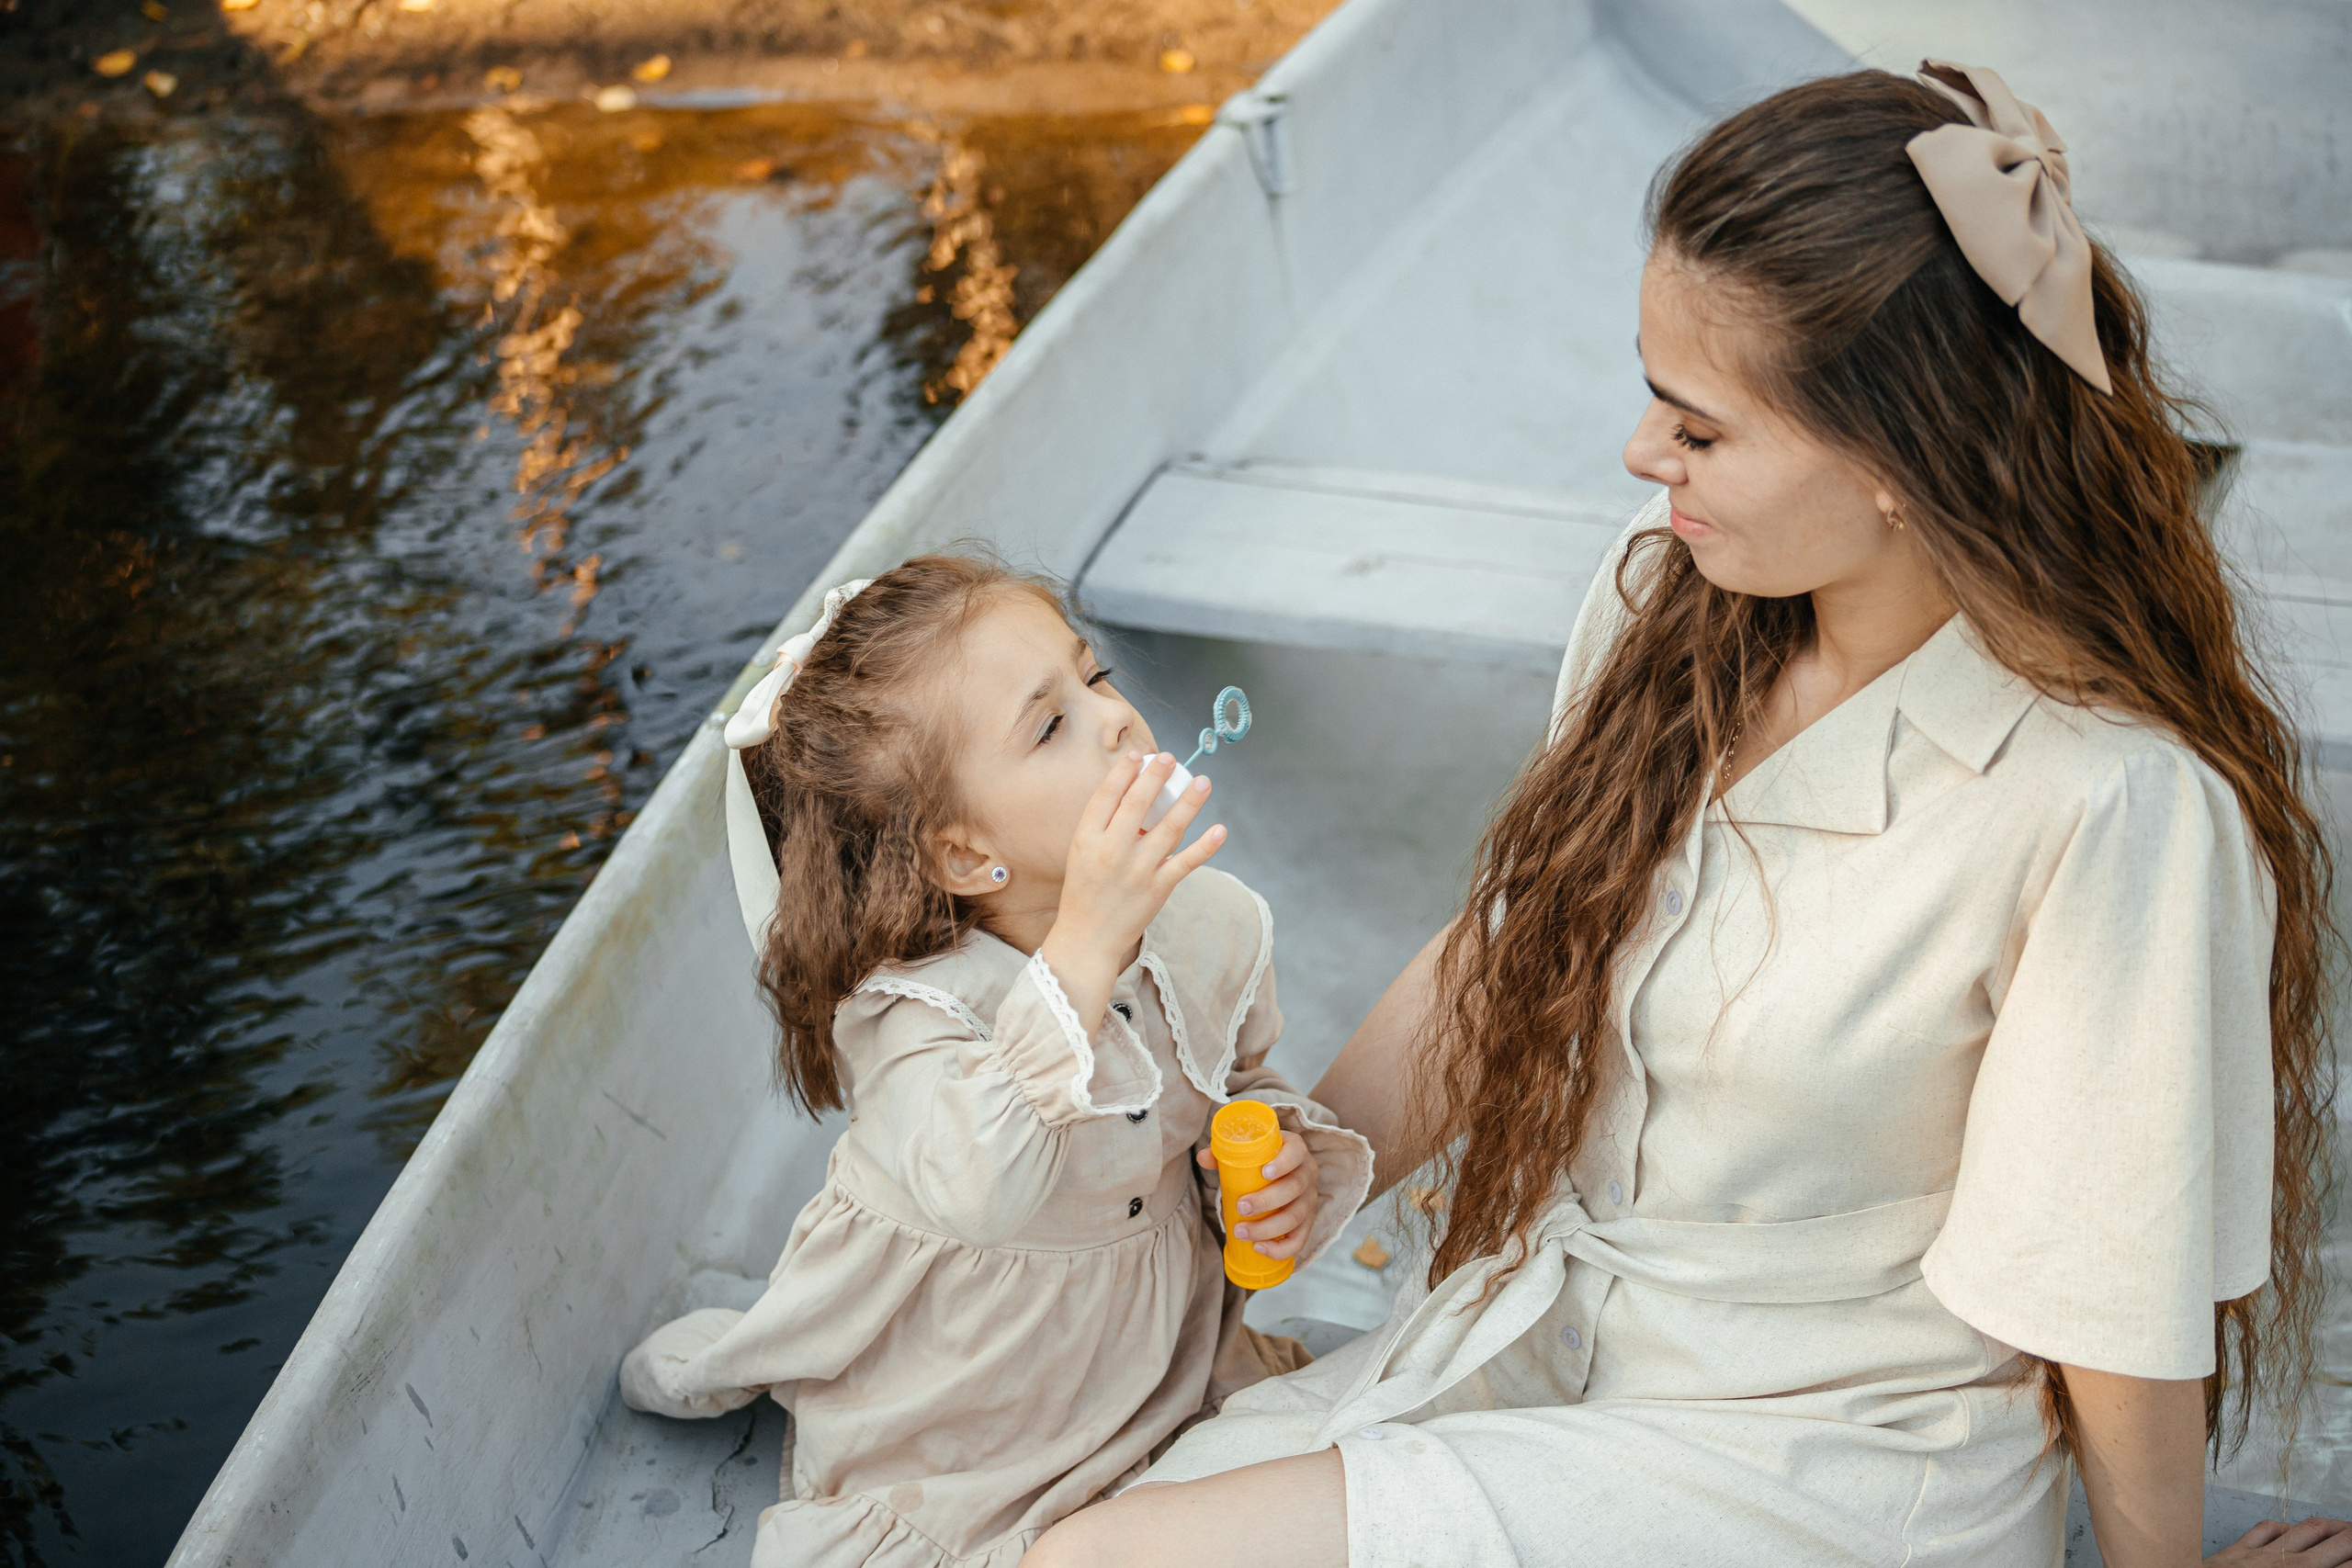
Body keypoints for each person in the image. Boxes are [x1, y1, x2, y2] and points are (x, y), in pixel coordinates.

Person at [1028, 63, 2352, 1568]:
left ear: (1903, 464)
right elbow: (1526, 936)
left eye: (1698, 428)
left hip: (1831, 1452)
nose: (1640, 455)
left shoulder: (2114, 806)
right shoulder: (1666, 598)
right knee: (1035, 1502)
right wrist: (1335, 1153)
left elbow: (2111, 1279)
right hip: (1560, 1344)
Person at [615, 557, 1372, 1567]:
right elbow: (983, 1187)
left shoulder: (1208, 925)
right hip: (976, 1407)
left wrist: (1275, 1157)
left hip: (1167, 1356)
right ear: (968, 857)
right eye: (1050, 725)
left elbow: (1235, 1085)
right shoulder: (912, 1016)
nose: (1114, 719)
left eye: (1094, 677)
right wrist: (1086, 949)